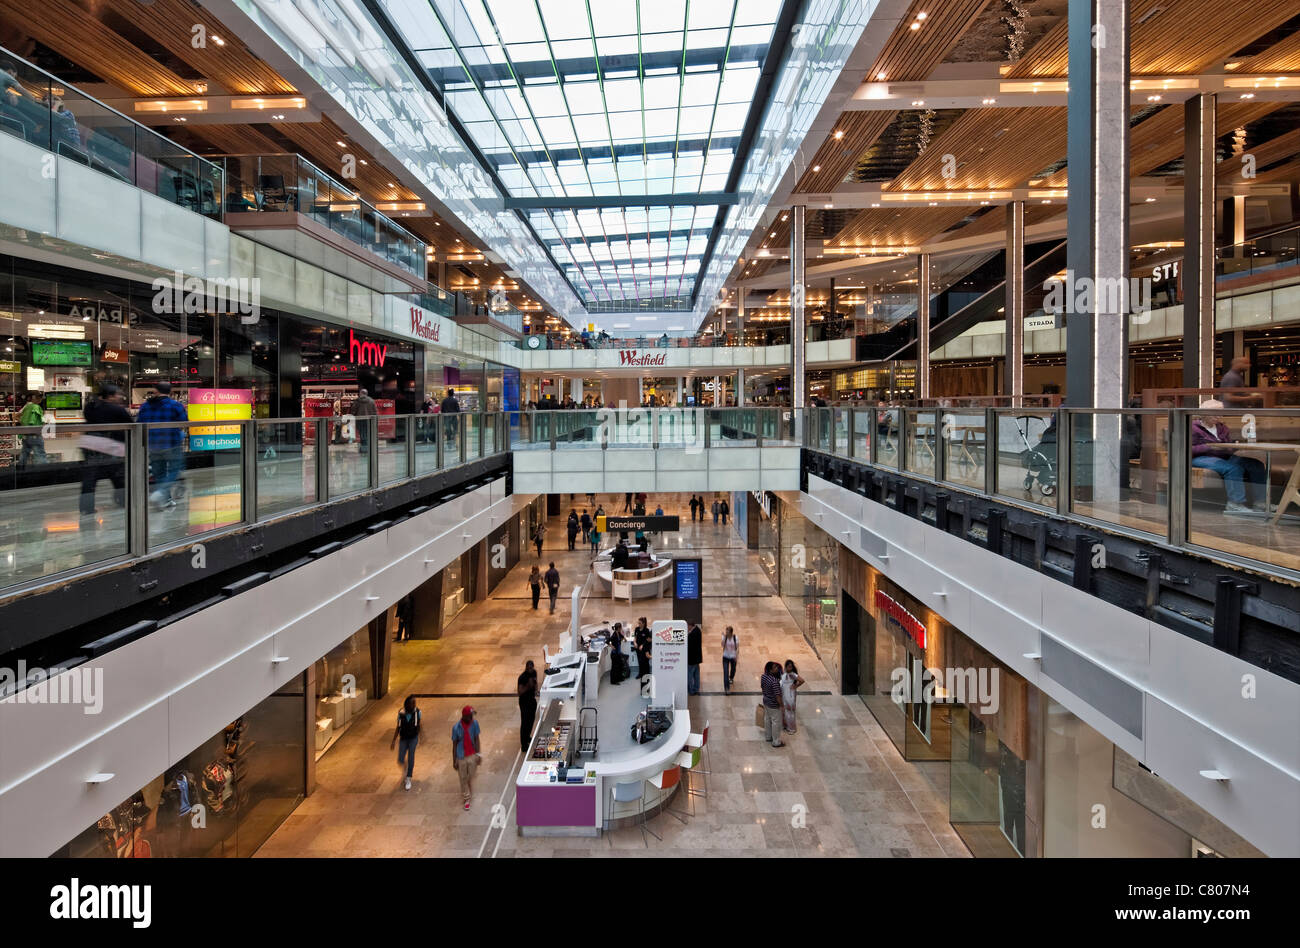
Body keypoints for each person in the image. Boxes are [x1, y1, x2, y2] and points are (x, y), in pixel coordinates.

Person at [1191, 400, 1267, 514]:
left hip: (1224, 456)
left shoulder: (1222, 428)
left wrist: (1235, 446)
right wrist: (1209, 447)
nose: (1219, 416)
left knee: (1256, 465)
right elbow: (1187, 449)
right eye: (1215, 413)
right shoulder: (1193, 428)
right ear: (1204, 413)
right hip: (1201, 458)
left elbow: (1228, 446)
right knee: (1233, 468)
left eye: (1221, 413)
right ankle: (1235, 504)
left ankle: (1260, 503)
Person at [78, 384, 131, 515]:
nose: (120, 397)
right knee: (118, 476)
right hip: (111, 447)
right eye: (117, 394)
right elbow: (130, 425)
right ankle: (123, 501)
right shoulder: (117, 410)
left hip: (89, 445)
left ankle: (86, 508)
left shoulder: (90, 407)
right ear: (110, 396)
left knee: (89, 479)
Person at [137, 382, 188, 508]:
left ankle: (166, 500)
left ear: (155, 391)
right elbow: (184, 422)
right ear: (170, 392)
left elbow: (139, 423)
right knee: (174, 471)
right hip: (171, 442)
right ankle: (160, 493)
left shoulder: (145, 406)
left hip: (152, 444)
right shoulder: (175, 405)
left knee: (158, 472)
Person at [450, 705, 481, 810]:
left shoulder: (475, 724)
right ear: (464, 716)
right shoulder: (456, 728)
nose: (472, 718)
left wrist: (478, 754)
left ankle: (467, 784)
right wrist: (454, 760)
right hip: (461, 756)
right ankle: (466, 798)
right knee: (462, 778)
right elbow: (454, 745)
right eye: (470, 716)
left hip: (472, 754)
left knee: (471, 775)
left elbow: (477, 739)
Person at [389, 695, 421, 791]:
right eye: (413, 703)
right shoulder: (401, 713)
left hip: (413, 738)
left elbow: (419, 725)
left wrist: (420, 736)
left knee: (411, 756)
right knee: (400, 759)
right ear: (407, 704)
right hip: (403, 738)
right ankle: (406, 768)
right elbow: (398, 727)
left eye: (415, 703)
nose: (414, 705)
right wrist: (394, 740)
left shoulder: (418, 712)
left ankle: (408, 777)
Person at [17, 391, 47, 467]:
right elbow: (43, 421)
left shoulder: (27, 406)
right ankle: (41, 474)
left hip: (25, 435)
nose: (41, 400)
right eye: (40, 398)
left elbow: (17, 416)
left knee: (24, 454)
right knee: (40, 455)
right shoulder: (37, 407)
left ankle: (20, 472)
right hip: (35, 435)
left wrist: (23, 424)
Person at [760, 662, 785, 748]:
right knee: (775, 722)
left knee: (767, 719)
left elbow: (762, 687)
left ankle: (768, 736)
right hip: (773, 705)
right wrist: (781, 705)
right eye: (775, 668)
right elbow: (778, 695)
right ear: (770, 670)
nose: (777, 669)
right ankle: (776, 741)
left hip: (766, 701)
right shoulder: (774, 681)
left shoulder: (763, 676)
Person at [517, 661, 539, 752]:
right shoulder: (522, 677)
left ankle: (527, 736)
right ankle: (523, 744)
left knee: (531, 720)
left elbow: (536, 682)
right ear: (526, 668)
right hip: (524, 702)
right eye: (529, 668)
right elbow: (519, 692)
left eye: (531, 668)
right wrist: (528, 686)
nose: (530, 670)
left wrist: (536, 690)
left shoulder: (534, 672)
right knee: (525, 722)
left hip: (531, 700)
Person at [780, 660, 805, 733]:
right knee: (784, 710)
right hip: (784, 695)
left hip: (790, 696)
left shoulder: (792, 674)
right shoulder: (784, 673)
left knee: (790, 712)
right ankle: (785, 725)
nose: (789, 668)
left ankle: (792, 728)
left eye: (790, 667)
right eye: (788, 667)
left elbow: (802, 680)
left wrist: (795, 686)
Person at [351, 387, 377, 454]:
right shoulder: (372, 401)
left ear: (361, 393)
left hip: (360, 420)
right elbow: (375, 412)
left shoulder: (357, 401)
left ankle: (364, 449)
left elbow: (353, 411)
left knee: (362, 434)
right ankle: (369, 448)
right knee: (368, 434)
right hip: (369, 420)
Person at [721, 626, 739, 695]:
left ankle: (731, 677)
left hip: (733, 657)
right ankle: (727, 689)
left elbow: (737, 648)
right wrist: (723, 638)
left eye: (727, 632)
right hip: (725, 657)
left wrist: (736, 656)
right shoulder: (724, 637)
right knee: (725, 672)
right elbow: (722, 646)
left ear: (731, 633)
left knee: (733, 669)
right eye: (726, 632)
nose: (726, 633)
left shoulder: (735, 638)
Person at [687, 623, 703, 696]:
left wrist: (688, 635)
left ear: (690, 625)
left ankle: (691, 690)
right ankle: (696, 688)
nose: (687, 628)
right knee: (696, 675)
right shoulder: (698, 630)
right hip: (697, 658)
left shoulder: (693, 634)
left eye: (688, 626)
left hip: (692, 659)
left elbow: (689, 646)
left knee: (690, 675)